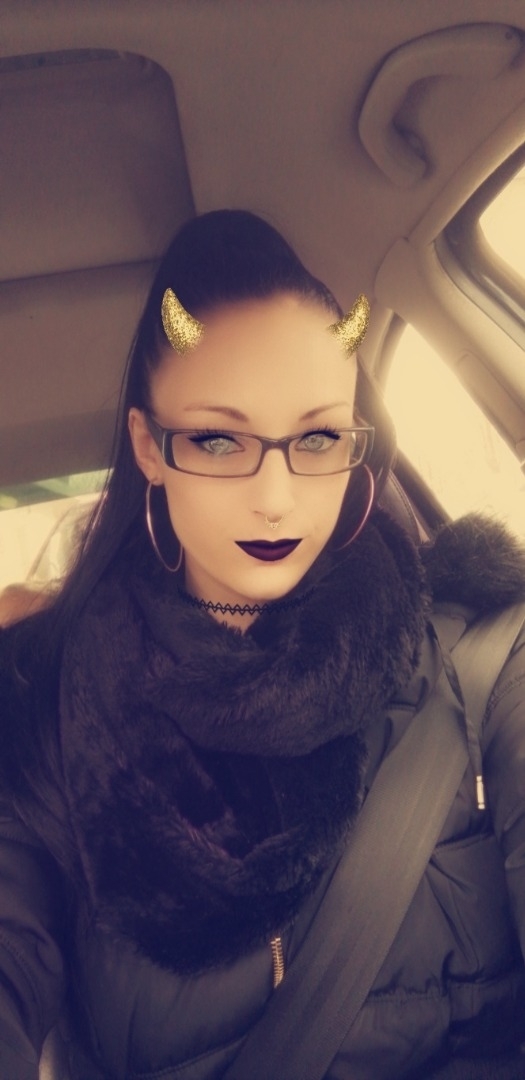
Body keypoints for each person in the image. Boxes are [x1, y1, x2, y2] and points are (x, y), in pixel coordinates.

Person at [1, 209, 525, 1080]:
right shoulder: (48, 707)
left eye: (317, 437)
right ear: (149, 448)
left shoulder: (480, 653)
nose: (276, 498)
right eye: (217, 439)